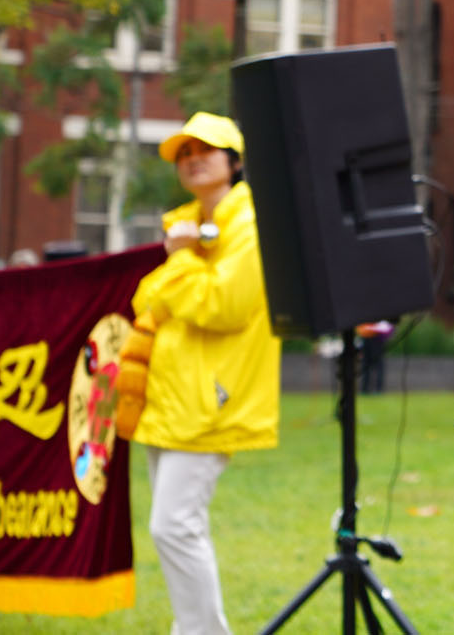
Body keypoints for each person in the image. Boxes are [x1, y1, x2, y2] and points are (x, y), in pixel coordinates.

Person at [131, 111, 280, 635]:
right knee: (174, 527)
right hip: (172, 396)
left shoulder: (250, 223)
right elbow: (146, 299)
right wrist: (185, 261)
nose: (193, 161)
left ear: (234, 162)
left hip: (213, 397)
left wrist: (181, 260)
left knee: (172, 526)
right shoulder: (188, 226)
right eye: (184, 154)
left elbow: (225, 305)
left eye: (205, 151)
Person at [357, 319, 394, 394]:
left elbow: (386, 328)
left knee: (378, 365)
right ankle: (365, 389)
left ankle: (378, 389)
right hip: (366, 339)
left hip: (377, 340)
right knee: (366, 365)